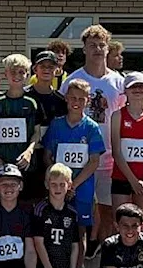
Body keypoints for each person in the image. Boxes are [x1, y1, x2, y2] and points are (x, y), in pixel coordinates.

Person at [58, 25, 126, 250]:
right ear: (84, 49)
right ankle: (77, 255)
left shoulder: (119, 82)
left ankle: (104, 261)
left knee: (107, 211)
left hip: (109, 159)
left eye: (101, 45)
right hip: (77, 161)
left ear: (108, 49)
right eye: (92, 45)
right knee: (76, 209)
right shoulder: (72, 81)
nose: (97, 49)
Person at [41, 79, 106, 258]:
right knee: (56, 227)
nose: (76, 102)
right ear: (67, 99)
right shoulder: (56, 125)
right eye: (73, 98)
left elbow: (94, 161)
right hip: (58, 188)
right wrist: (56, 180)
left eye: (81, 99)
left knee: (79, 231)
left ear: (88, 101)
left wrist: (73, 185)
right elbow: (47, 155)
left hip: (81, 188)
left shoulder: (91, 128)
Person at [0, 54, 45, 202]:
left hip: (26, 164)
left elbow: (37, 132)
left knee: (26, 204)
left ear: (27, 75)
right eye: (13, 72)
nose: (17, 75)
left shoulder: (33, 101)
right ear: (6, 74)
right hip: (3, 162)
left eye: (21, 72)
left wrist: (29, 151)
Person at [111, 73, 143, 217]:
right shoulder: (117, 116)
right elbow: (116, 151)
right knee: (119, 220)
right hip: (122, 176)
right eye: (133, 87)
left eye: (141, 86)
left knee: (141, 222)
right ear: (125, 90)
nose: (137, 90)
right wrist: (133, 181)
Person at [26, 51, 68, 127]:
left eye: (51, 67)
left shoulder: (61, 101)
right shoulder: (25, 95)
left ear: (57, 70)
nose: (46, 70)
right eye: (42, 66)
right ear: (35, 69)